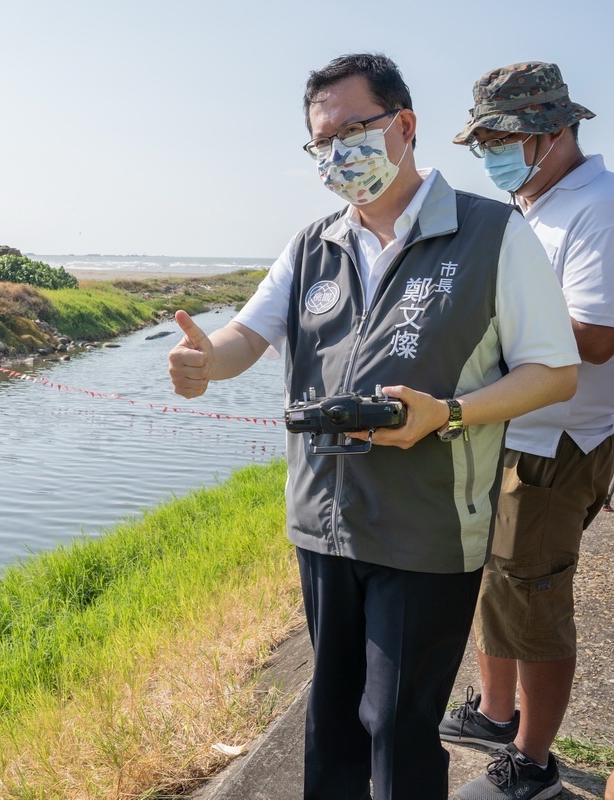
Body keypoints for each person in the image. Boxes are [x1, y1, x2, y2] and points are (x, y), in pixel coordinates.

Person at [168, 53, 579, 800]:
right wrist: (205, 361)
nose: (336, 154)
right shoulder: (311, 244)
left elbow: (554, 372)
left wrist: (447, 415)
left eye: (353, 130)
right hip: (324, 525)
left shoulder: (493, 235)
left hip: (426, 528)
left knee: (396, 726)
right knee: (331, 727)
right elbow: (244, 337)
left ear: (405, 126)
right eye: (321, 142)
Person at [439, 62, 614, 800]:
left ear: (554, 130)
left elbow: (598, 336)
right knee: (498, 579)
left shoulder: (597, 207)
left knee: (533, 594)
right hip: (514, 427)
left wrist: (486, 338)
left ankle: (534, 763)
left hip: (558, 441)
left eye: (502, 136)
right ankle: (495, 711)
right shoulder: (531, 201)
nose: (490, 152)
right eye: (482, 139)